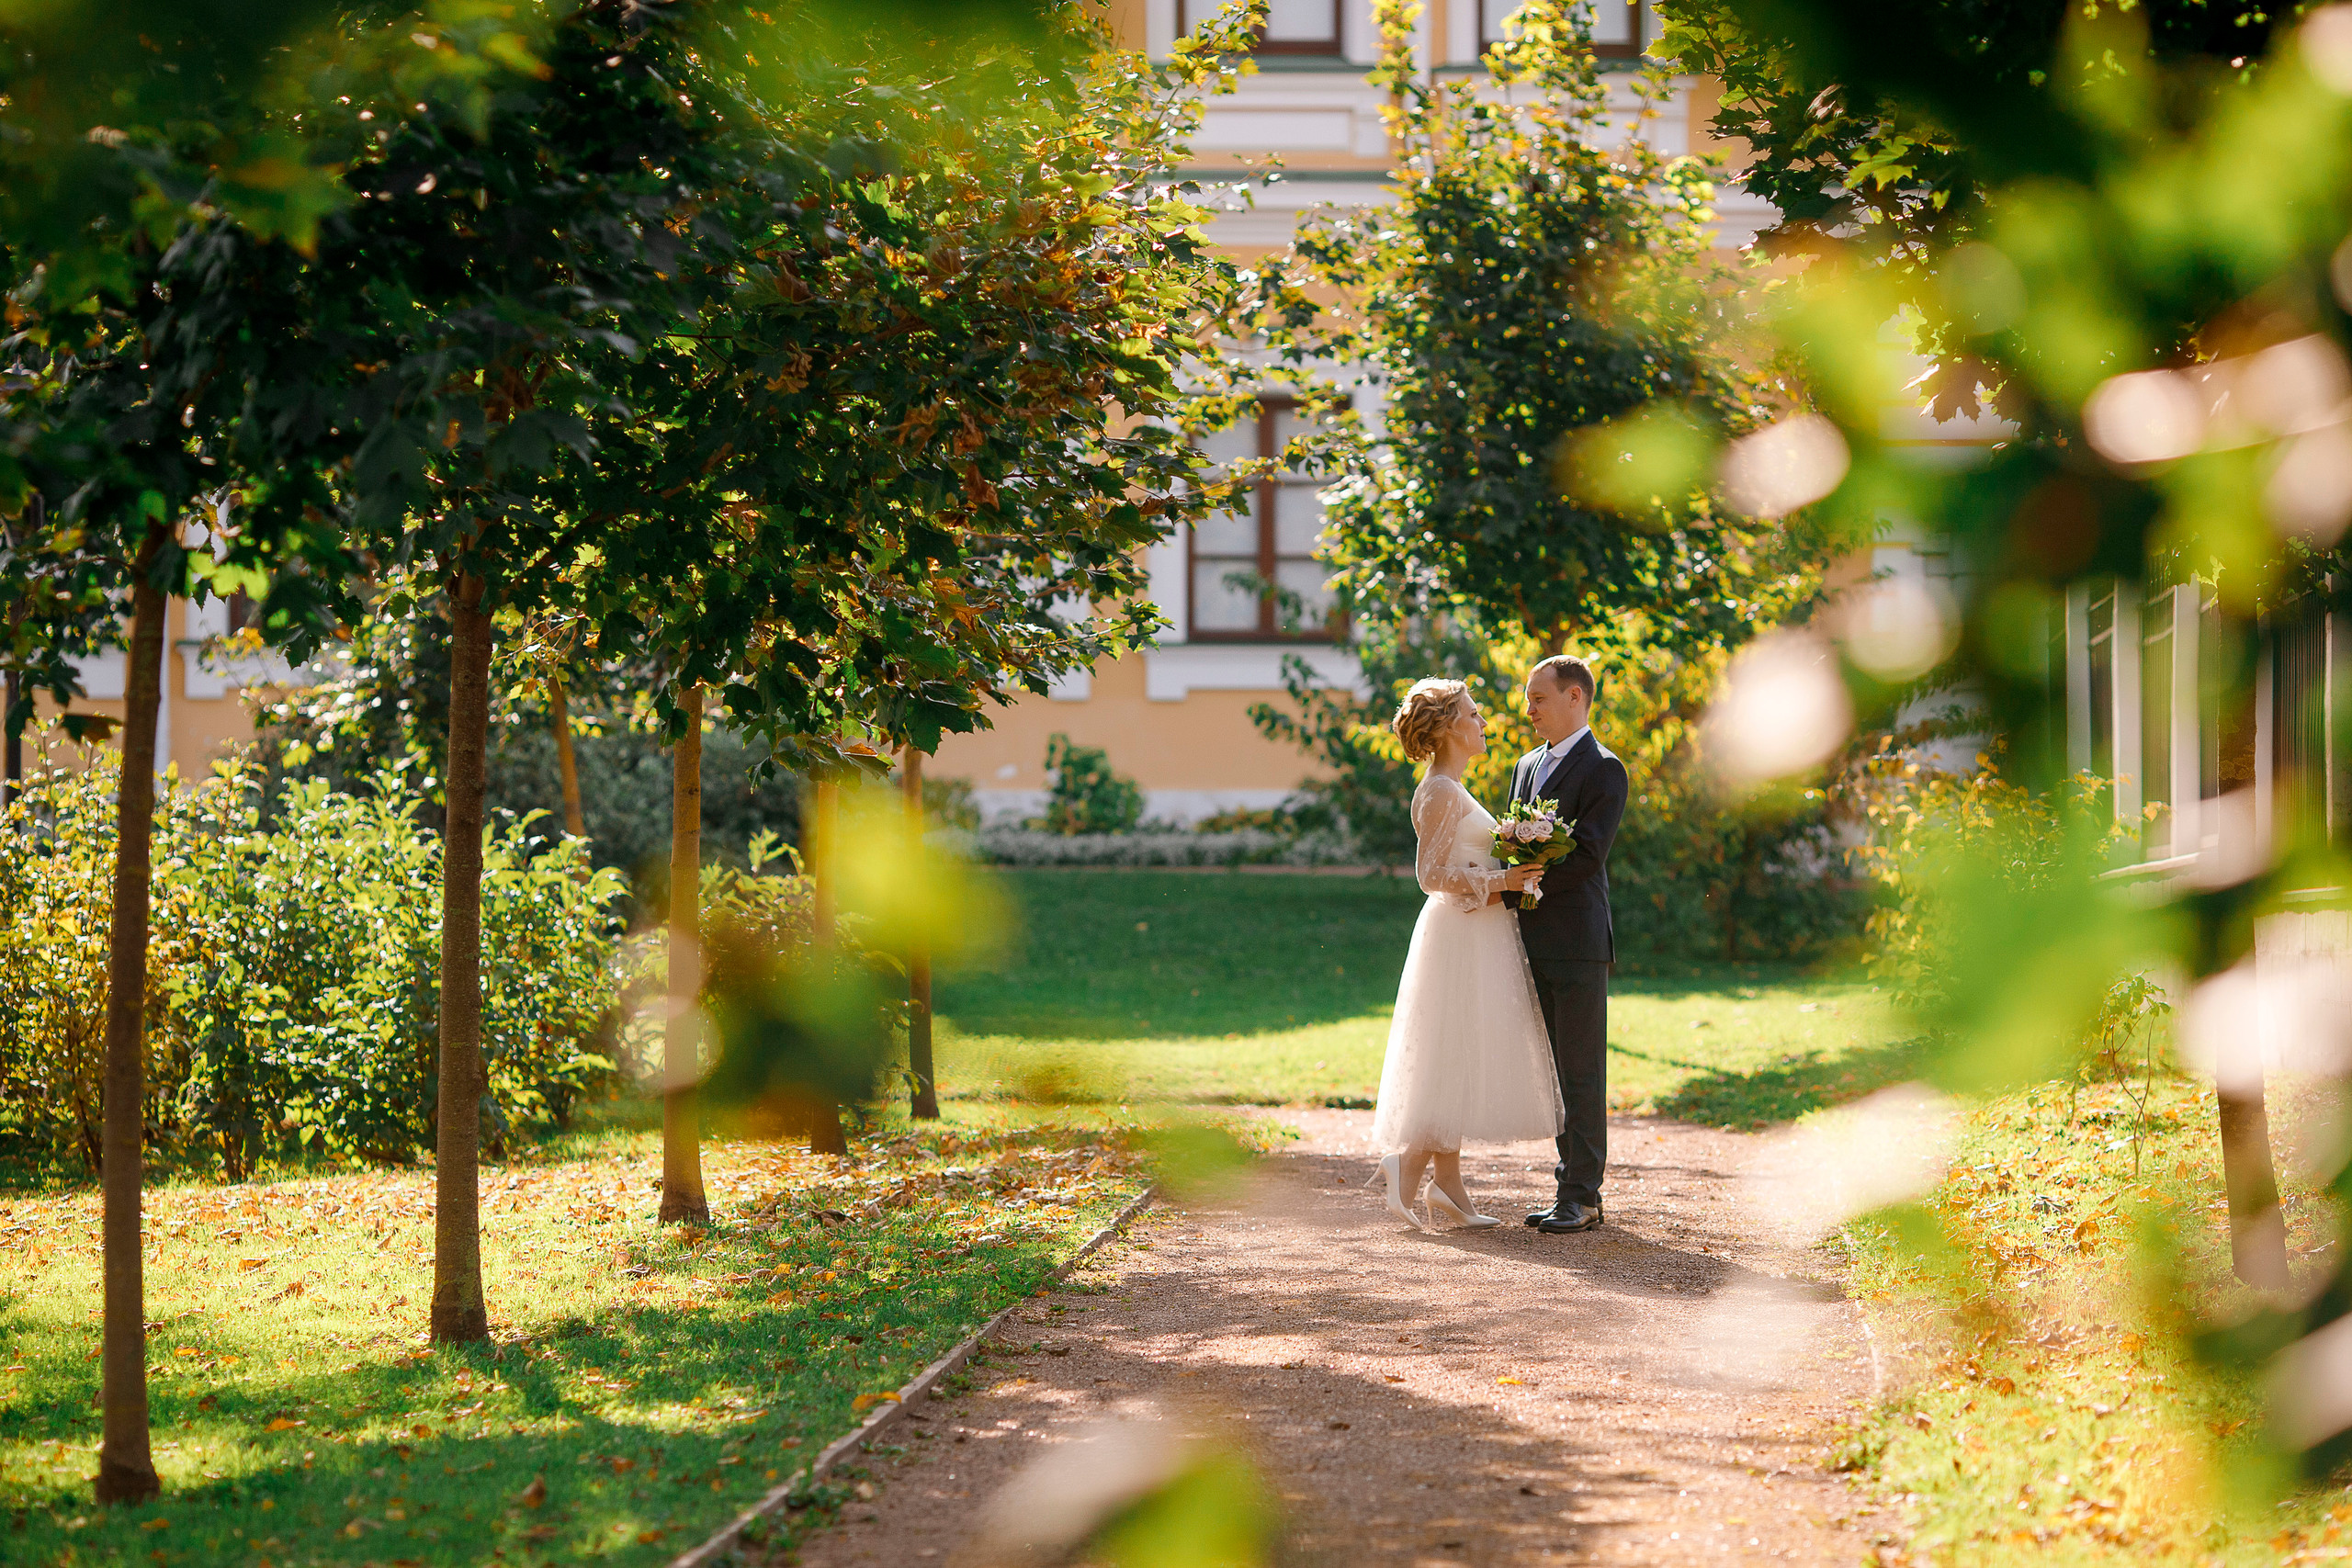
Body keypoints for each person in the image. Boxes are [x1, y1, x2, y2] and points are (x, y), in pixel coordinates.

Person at [1367, 678, 1566, 1230]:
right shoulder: (1439, 792)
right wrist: (1505, 879)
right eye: (1474, 715)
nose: (1484, 724)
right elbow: (1428, 875)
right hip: (1457, 933)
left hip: (1477, 929)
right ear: (1450, 726)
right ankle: (1406, 1167)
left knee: (1456, 1053)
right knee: (1451, 1049)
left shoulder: (1453, 788)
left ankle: (1448, 1189)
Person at [1507, 653, 1629, 1235]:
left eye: (1538, 699)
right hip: (1530, 937)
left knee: (1581, 1070)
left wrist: (1525, 880)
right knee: (1553, 1073)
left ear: (1574, 697)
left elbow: (1586, 856)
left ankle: (1582, 1195)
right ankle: (1569, 1187)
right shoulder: (1525, 765)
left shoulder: (1605, 770)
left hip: (1578, 940)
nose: (1528, 710)